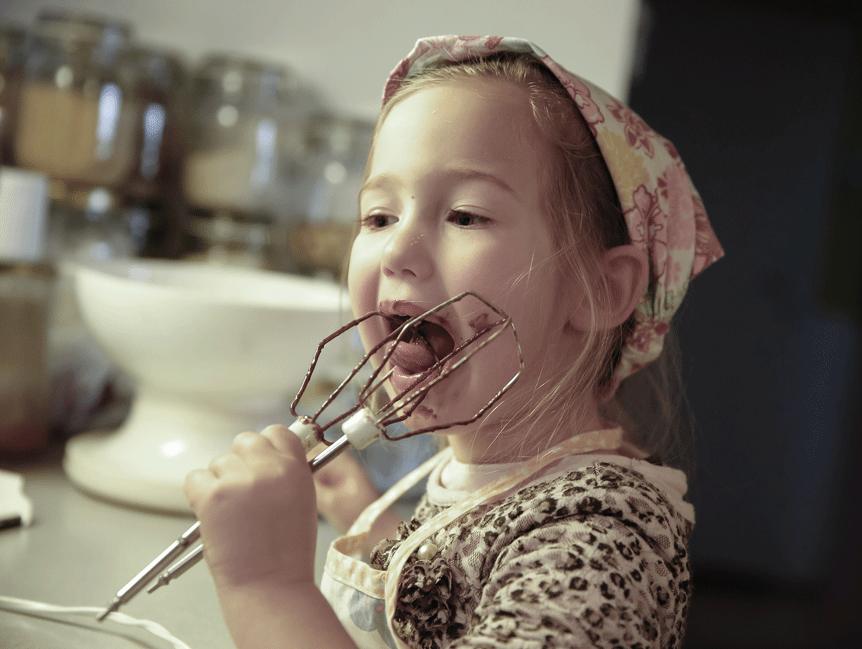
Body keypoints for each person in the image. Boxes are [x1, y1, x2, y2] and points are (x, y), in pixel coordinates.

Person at [183, 35, 725, 649]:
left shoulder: (600, 536)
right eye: (378, 217)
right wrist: (370, 516)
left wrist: (266, 586)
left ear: (597, 289)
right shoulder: (481, 471)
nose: (398, 252)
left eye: (466, 215)